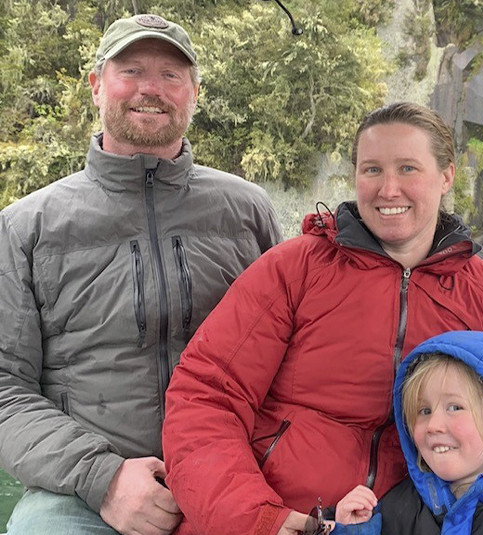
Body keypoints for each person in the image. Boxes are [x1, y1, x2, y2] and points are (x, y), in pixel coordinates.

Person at [161, 101, 483, 535]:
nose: (388, 189)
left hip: (409, 524)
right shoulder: (295, 270)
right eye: (372, 169)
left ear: (446, 176)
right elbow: (205, 396)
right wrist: (262, 519)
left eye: (408, 169)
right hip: (283, 515)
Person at [0, 13, 281, 535]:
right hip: (82, 493)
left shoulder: (247, 211)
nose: (151, 89)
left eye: (170, 75)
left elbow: (290, 361)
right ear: (96, 86)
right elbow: (5, 388)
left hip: (233, 475)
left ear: (194, 93)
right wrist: (103, 479)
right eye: (131, 71)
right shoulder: (25, 228)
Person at [331, 330, 483, 535]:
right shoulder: (392, 511)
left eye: (455, 407)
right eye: (424, 411)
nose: (433, 425)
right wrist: (351, 532)